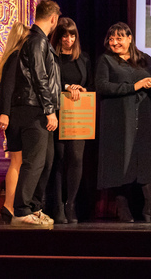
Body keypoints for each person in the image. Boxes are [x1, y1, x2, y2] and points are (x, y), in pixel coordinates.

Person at [95, 22, 151, 223]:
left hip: (143, 116)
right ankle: (122, 207)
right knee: (121, 162)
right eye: (111, 39)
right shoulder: (106, 60)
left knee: (147, 161)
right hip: (117, 119)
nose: (114, 42)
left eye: (119, 38)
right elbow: (102, 86)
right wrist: (134, 86)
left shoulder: (145, 60)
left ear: (130, 38)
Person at [9, 1, 61, 228]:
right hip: (34, 109)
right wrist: (50, 110)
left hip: (33, 108)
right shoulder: (38, 40)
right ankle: (21, 211)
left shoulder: (35, 40)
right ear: (54, 19)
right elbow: (40, 77)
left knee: (46, 160)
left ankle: (34, 207)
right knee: (34, 162)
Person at [48, 17, 91, 224]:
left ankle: (70, 204)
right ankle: (57, 206)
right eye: (64, 35)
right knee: (59, 159)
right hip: (56, 113)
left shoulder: (83, 58)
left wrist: (82, 89)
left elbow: (90, 85)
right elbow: (48, 82)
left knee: (76, 158)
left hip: (77, 114)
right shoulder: (51, 57)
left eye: (72, 35)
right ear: (58, 36)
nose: (68, 39)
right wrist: (67, 87)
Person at [0, 22, 29, 224]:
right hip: (14, 115)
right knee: (17, 161)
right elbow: (6, 89)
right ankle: (9, 205)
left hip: (13, 114)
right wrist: (5, 114)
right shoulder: (16, 57)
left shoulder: (11, 57)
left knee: (19, 161)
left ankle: (11, 205)